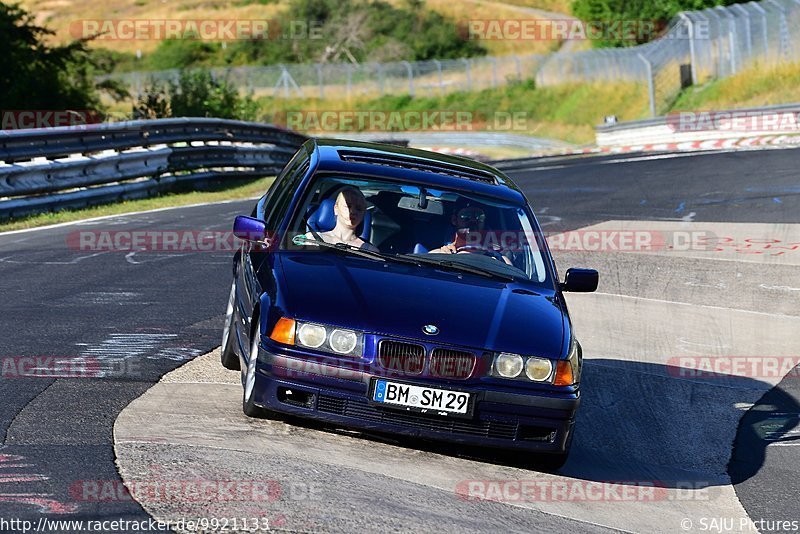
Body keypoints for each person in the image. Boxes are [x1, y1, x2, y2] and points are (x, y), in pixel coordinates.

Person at [429, 198, 512, 264]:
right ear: (454, 220)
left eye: (478, 216)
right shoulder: (439, 255)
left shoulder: (500, 261)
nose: (473, 221)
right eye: (466, 216)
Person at [305, 187, 379, 252]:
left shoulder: (370, 251)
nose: (352, 212)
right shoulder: (312, 239)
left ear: (363, 214)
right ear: (336, 209)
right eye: (348, 206)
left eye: (358, 209)